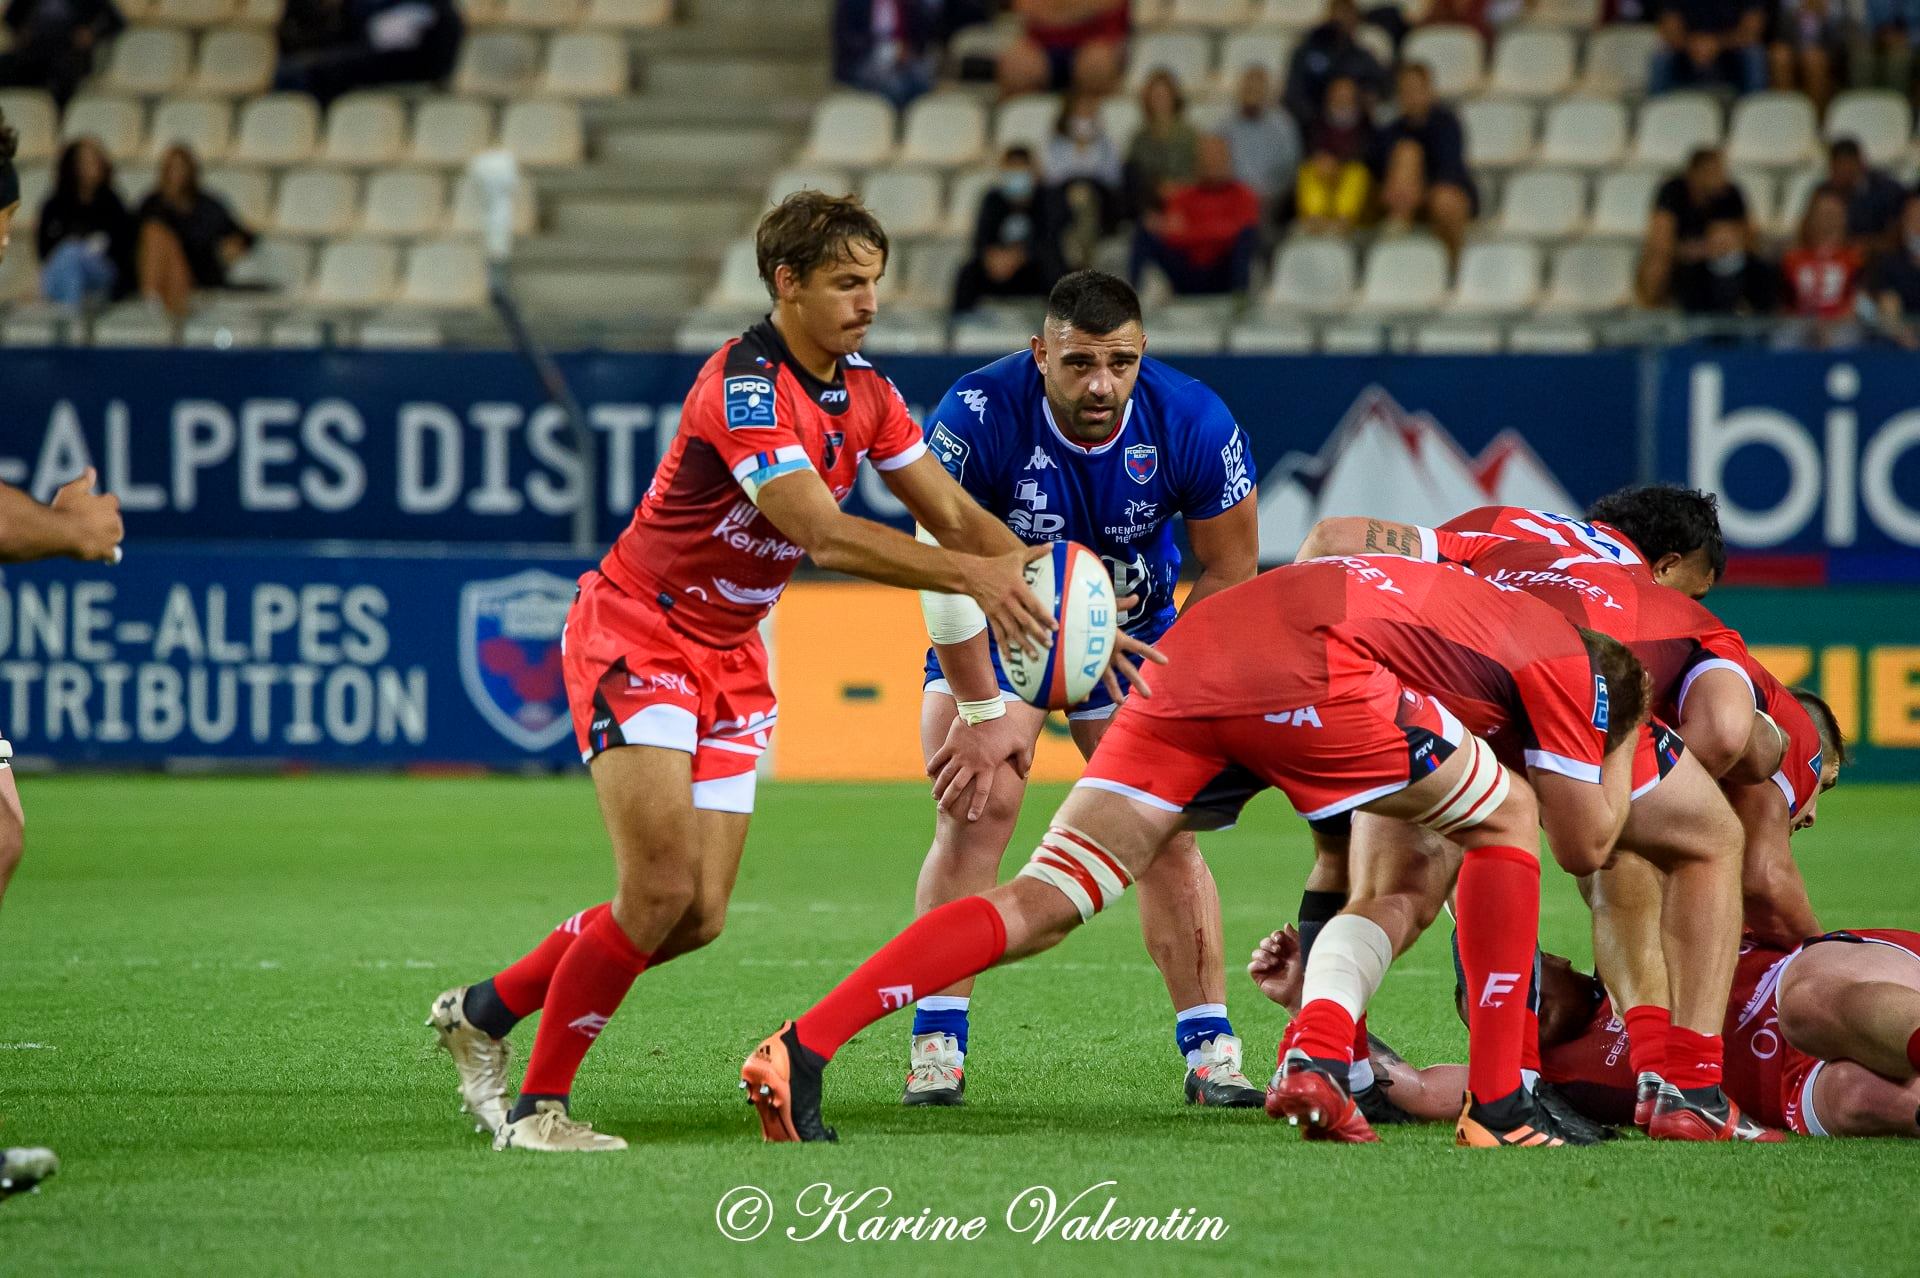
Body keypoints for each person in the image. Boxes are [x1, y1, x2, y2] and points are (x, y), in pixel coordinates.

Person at [425, 191, 1072, 1154]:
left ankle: (482, 1011)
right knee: (655, 891)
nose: (868, 302)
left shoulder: (869, 393)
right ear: (787, 283)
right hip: (639, 634)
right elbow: (824, 535)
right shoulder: (744, 388)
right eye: (846, 283)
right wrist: (972, 575)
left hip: (732, 655)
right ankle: (536, 1111)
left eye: (874, 282)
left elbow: (949, 512)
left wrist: (1038, 573)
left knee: (695, 916)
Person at [743, 554, 1649, 1147]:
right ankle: (1499, 1105)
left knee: (1047, 897)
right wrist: (1622, 743)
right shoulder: (1573, 666)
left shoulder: (1462, 619)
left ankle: (803, 1045)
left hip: (1188, 661)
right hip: (1310, 669)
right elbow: (1583, 841)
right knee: (1506, 818)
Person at [1296, 505, 1795, 1140]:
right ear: (1667, 566)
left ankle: (1325, 1054)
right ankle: (1689, 1090)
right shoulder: (1678, 613)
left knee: (1394, 891)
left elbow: (1331, 539)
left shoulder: (1503, 530)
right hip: (1573, 689)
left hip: (1441, 694)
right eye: (1694, 588)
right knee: (1698, 842)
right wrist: (1760, 742)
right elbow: (1726, 735)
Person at [905, 270, 1261, 1109]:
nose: (1101, 384)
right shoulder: (976, 413)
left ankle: (1212, 1051)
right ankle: (937, 1047)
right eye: (1079, 363)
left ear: (1142, 355)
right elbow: (939, 568)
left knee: (1161, 831)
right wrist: (983, 713)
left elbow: (1232, 568)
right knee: (976, 803)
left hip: (1136, 636)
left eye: (1120, 363)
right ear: (1040, 354)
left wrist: (1172, 681)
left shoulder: (1194, 420)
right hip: (1002, 627)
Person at [1129, 134, 1262, 296]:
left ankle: (1240, 299)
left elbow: (1243, 232)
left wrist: (1190, 231)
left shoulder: (1244, 195)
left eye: (1216, 156)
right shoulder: (1183, 196)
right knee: (1144, 230)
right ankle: (1131, 299)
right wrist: (1217, 230)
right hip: (1188, 270)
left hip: (1224, 271)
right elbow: (1173, 235)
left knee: (1245, 239)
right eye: (1206, 157)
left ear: (1227, 159)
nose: (1211, 162)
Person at [137, 146, 255, 319]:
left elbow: (243, 235)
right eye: (173, 168)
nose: (178, 174)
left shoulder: (207, 205)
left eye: (182, 168)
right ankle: (154, 301)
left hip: (200, 271)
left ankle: (157, 308)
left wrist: (234, 246)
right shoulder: (152, 204)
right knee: (156, 236)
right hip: (163, 271)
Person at [1373, 62, 1476, 259]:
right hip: (1403, 199)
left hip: (1439, 194)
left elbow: (1449, 171)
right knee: (1406, 153)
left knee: (1444, 201)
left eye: (1416, 89)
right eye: (1405, 91)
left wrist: (1422, 192)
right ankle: (1396, 246)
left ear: (1429, 91)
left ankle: (1451, 264)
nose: (1411, 96)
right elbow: (1378, 171)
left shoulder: (1446, 124)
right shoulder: (1390, 132)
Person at [273, 0, 463, 106]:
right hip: (359, 58)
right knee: (294, 72)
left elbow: (440, 51)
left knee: (308, 73)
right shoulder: (360, 6)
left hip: (405, 64)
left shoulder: (435, 8)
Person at [1638, 147, 1751, 306]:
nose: (1721, 177)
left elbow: (1746, 238)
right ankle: (1650, 307)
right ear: (1696, 173)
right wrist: (1689, 250)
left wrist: (1710, 248)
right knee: (1657, 261)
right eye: (1713, 172)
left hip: (1716, 260)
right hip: (1680, 258)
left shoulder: (1730, 194)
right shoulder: (1673, 192)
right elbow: (1660, 241)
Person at [953, 145, 1059, 314]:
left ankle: (1058, 322)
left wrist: (1019, 256)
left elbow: (1049, 239)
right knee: (968, 272)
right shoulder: (992, 199)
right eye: (1011, 170)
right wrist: (993, 258)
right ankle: (961, 323)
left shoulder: (1047, 199)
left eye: (1021, 170)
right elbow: (981, 239)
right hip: (997, 270)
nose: (1016, 177)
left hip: (1031, 270)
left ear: (1033, 172)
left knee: (1054, 269)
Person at [35, 136, 134, 307]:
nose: (92, 167)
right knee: (68, 259)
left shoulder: (112, 203)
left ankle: (69, 315)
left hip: (101, 272)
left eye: (95, 161)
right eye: (85, 162)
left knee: (71, 254)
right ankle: (70, 312)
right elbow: (45, 249)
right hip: (62, 270)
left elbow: (122, 249)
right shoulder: (55, 205)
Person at [1040, 91, 1122, 269]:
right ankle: (1080, 249)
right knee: (1071, 197)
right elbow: (1050, 176)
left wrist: (1089, 152)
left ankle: (1079, 248)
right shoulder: (1057, 143)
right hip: (1064, 193)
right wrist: (1076, 152)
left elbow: (1113, 177)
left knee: (1085, 196)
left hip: (1097, 192)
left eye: (1089, 110)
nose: (1084, 115)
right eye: (1079, 110)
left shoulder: (1105, 143)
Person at [1780, 185, 1865, 347]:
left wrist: (1835, 321)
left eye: (1833, 215)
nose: (1828, 221)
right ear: (1811, 218)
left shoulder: (1855, 258)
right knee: (1783, 340)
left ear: (1844, 218)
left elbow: (1860, 298)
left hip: (1841, 323)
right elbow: (1784, 303)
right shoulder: (1792, 258)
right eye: (1823, 214)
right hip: (1801, 323)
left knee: (1844, 339)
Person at [1283, 0, 1388, 128]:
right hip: (1313, 125)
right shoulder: (1307, 52)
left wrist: (1365, 97)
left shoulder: (1361, 56)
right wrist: (1317, 121)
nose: (1342, 21)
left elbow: (1383, 86)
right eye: (1338, 14)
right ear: (1329, 17)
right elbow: (1294, 94)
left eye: (1347, 15)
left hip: (1356, 127)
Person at [0, 0, 124, 106]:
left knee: (64, 73)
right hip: (33, 52)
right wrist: (20, 31)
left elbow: (115, 21)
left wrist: (92, 33)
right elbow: (11, 17)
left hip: (68, 53)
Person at [1219, 64, 1302, 219]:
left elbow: (1290, 168)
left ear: (1267, 91)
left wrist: (1269, 194)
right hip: (1231, 199)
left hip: (1273, 202)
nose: (1252, 92)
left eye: (1258, 88)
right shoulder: (1224, 127)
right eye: (1248, 87)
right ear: (1239, 90)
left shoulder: (1283, 125)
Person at [995, 0, 1126, 97]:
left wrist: (1058, 9)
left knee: (1097, 64)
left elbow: (1109, 4)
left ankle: (1087, 120)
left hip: (1094, 42)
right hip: (1041, 45)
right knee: (1017, 69)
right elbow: (1026, 6)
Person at [1294, 75, 1374, 234]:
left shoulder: (1366, 124)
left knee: (1357, 173)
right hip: (1323, 172)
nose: (1342, 98)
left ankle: (1343, 220)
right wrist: (1322, 160)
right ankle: (1315, 219)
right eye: (1338, 94)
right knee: (1308, 171)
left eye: (1346, 94)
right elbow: (1310, 149)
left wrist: (1338, 163)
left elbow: (1369, 154)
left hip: (1349, 174)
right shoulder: (1316, 122)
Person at [831, 0, 939, 109]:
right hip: (863, 60)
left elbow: (921, 35)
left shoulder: (904, 5)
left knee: (922, 83)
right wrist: (882, 50)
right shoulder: (853, 3)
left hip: (901, 62)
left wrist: (904, 52)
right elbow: (846, 38)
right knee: (896, 89)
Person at [1123, 69, 1198, 219]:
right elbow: (1133, 176)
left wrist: (1177, 187)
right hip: (1149, 203)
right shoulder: (1139, 137)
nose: (1159, 100)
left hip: (1184, 198)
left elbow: (1197, 170)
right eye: (1155, 96)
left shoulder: (1189, 135)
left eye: (1164, 95)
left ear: (1174, 97)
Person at [1649, 0, 1768, 95]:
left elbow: (1751, 30)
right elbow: (1670, 29)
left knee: (1754, 54)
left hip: (1731, 53)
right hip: (1686, 53)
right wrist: (1696, 45)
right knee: (1662, 57)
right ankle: (1657, 113)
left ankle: (1755, 114)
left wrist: (1716, 44)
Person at [1671, 217, 1778, 318]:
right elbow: (1691, 312)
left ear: (1741, 238)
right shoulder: (1694, 275)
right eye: (1716, 238)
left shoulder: (1760, 272)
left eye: (1728, 238)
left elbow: (1766, 310)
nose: (1722, 245)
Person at [1823, 137, 1907, 253]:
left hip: (1881, 256)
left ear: (1858, 163)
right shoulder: (1825, 192)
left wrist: (1866, 245)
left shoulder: (1887, 190)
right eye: (1836, 168)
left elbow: (1897, 235)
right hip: (1836, 255)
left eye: (1845, 165)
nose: (1841, 172)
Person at [1866, 193, 1920, 348]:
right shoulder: (1890, 264)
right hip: (1903, 345)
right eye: (1913, 218)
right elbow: (1888, 308)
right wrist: (1900, 332)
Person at [1768, 0, 1844, 110]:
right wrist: (1798, 12)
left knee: (1813, 59)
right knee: (1779, 55)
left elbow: (1841, 29)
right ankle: (1785, 113)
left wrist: (1824, 14)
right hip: (1791, 42)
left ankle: (1814, 116)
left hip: (1824, 46)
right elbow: (1778, 24)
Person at [1846, 0, 1920, 96]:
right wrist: (1881, 37)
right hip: (1879, 40)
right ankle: (1863, 101)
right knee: (1862, 57)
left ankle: (1895, 101)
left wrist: (1907, 38)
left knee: (1898, 59)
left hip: (1910, 43)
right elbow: (1869, 24)